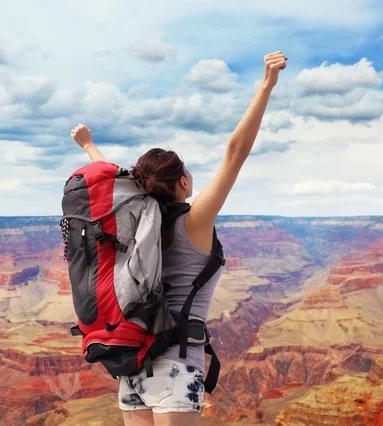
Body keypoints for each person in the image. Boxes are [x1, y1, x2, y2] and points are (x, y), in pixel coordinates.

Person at [70, 51, 287, 426]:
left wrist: (90, 147)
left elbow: (114, 196)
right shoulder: (194, 222)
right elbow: (235, 155)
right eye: (188, 172)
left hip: (133, 364)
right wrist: (266, 87)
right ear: (183, 182)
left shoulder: (130, 226)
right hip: (175, 365)